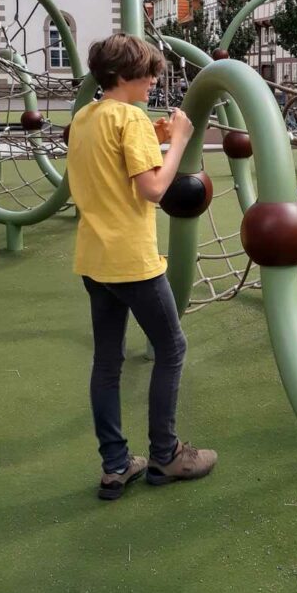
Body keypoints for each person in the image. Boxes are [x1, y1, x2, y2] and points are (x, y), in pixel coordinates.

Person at [67, 33, 217, 500]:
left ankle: (116, 466)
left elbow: (110, 164)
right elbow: (153, 189)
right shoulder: (129, 118)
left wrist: (155, 138)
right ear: (124, 76)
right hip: (132, 261)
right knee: (171, 349)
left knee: (107, 362)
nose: (155, 80)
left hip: (94, 259)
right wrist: (180, 142)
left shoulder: (85, 117)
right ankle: (165, 455)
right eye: (149, 73)